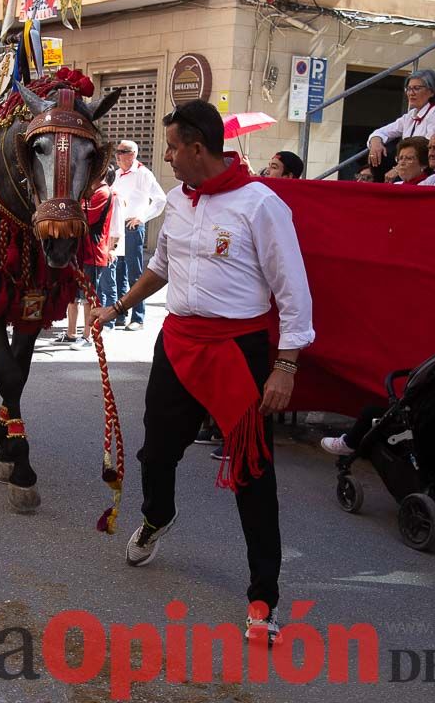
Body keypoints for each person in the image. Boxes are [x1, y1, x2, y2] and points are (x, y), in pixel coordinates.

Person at [93, 99, 314, 645]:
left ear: (197, 147)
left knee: (252, 475)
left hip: (237, 351)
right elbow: (160, 268)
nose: (166, 158)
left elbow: (294, 293)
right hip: (178, 344)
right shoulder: (178, 200)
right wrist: (117, 307)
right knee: (156, 452)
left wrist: (285, 366)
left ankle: (263, 597)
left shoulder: (261, 205)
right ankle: (158, 515)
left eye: (171, 147)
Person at [56, 171, 121, 348]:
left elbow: (84, 218)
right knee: (73, 295)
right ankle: (71, 333)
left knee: (88, 297)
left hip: (93, 251)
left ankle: (88, 335)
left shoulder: (103, 192)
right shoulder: (89, 192)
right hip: (80, 251)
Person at [106, 140, 165, 330]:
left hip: (132, 226)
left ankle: (138, 317)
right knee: (118, 271)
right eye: (117, 151)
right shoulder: (116, 175)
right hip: (118, 227)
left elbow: (160, 199)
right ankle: (120, 314)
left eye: (122, 152)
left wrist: (142, 217)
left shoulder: (143, 174)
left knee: (135, 272)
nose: (117, 155)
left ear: (132, 154)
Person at [366, 69, 435, 169]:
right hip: (413, 171)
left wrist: (398, 169)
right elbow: (382, 132)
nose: (411, 93)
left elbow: (430, 149)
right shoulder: (412, 115)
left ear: (432, 91)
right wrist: (376, 142)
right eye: (409, 89)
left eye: (416, 88)